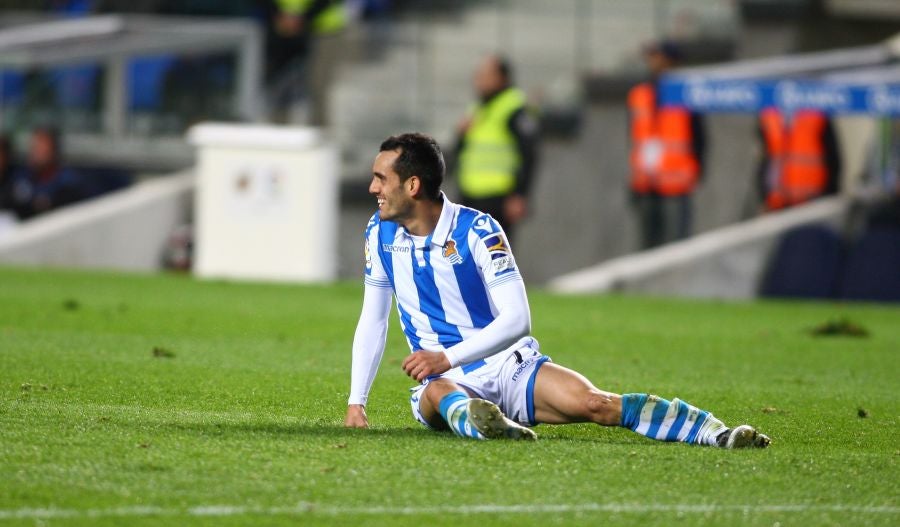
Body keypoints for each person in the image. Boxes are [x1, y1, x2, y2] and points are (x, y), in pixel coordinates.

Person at [344, 132, 770, 449]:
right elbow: (374, 317)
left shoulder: (478, 230)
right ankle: (493, 427)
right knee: (440, 393)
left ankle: (716, 432)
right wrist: (356, 402)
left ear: (413, 186)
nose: (373, 188)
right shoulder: (379, 234)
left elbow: (518, 319)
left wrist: (446, 355)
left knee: (596, 404)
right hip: (444, 378)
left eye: (381, 178)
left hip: (508, 367)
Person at [627, 41, 705, 249]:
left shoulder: (686, 95)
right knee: (647, 246)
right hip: (646, 182)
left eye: (657, 56)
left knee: (674, 247)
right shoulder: (640, 94)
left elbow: (700, 139)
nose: (652, 62)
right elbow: (635, 139)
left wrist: (695, 173)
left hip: (676, 184)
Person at [453, 55, 539, 245]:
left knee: (496, 259)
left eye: (486, 75)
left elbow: (529, 153)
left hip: (499, 198)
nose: (479, 80)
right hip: (470, 195)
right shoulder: (477, 109)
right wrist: (460, 135)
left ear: (502, 78)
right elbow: (463, 153)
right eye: (478, 75)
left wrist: (520, 195)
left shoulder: (513, 107)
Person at [262, 0, 347, 126]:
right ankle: (278, 129)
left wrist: (300, 18)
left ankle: (319, 131)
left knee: (318, 83)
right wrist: (279, 15)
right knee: (279, 82)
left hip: (323, 29)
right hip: (281, 28)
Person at [756, 107, 841, 212]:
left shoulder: (816, 112)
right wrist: (765, 195)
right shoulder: (768, 113)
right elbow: (765, 157)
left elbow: (833, 158)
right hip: (777, 204)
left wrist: (830, 196)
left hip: (813, 204)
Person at [8, 127, 84, 220]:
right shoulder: (21, 178)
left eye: (42, 147)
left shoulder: (68, 181)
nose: (36, 152)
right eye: (34, 147)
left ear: (54, 150)